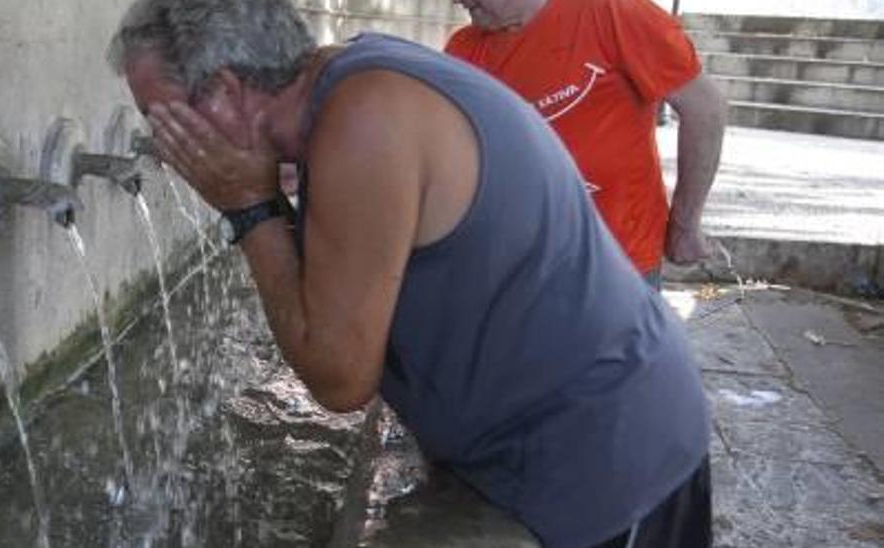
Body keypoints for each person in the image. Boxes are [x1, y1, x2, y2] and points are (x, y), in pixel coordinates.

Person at [106, 0, 711, 546]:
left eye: (158, 116)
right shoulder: (358, 81)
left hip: (603, 460)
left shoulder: (364, 122)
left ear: (224, 92)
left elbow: (340, 378)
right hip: (582, 436)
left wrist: (249, 206)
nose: (160, 144)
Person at [446, 0, 728, 286]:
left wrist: (684, 225)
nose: (456, 1)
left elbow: (705, 108)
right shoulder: (463, 49)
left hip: (617, 262)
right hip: (510, 265)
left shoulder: (611, 11)